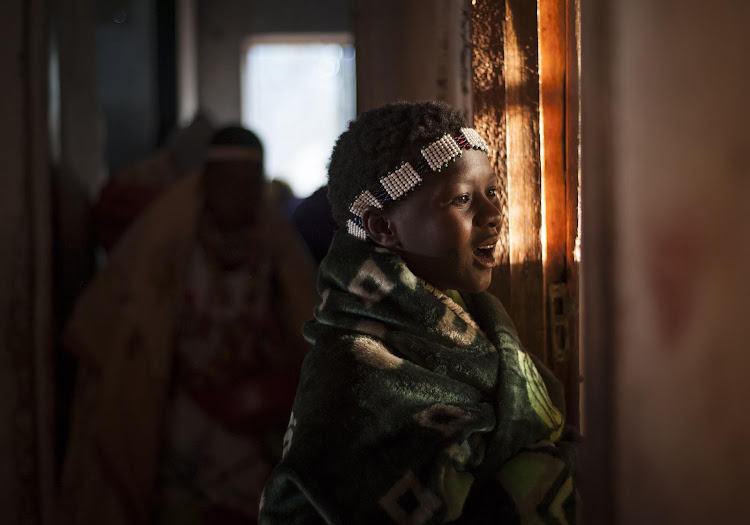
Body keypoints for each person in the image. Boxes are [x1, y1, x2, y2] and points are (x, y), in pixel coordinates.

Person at [259, 102, 579, 524]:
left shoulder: (479, 319)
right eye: (463, 198)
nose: (494, 214)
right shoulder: (350, 373)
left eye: (493, 191)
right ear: (382, 227)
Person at [58, 126, 319, 524]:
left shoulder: (274, 248)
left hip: (246, 418)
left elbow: (304, 326)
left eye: (251, 185)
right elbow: (110, 329)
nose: (240, 197)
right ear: (207, 182)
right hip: (177, 412)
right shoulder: (168, 244)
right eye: (230, 184)